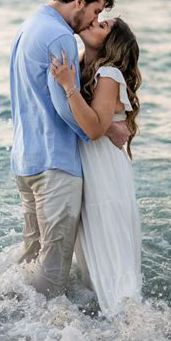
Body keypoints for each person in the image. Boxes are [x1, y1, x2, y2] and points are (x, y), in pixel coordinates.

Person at [9, 0, 130, 298]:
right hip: (55, 165)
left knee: (31, 258)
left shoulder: (29, 26)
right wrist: (104, 129)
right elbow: (64, 106)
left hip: (26, 162)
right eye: (96, 10)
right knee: (53, 268)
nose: (94, 19)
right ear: (80, 0)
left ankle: (5, 324)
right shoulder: (60, 36)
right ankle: (40, 336)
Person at [50, 16, 142, 315]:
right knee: (92, 243)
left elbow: (92, 129)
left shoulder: (108, 73)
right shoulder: (82, 68)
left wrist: (68, 86)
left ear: (110, 42)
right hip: (94, 165)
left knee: (109, 238)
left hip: (105, 169)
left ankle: (127, 319)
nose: (93, 23)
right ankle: (105, 322)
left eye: (102, 26)